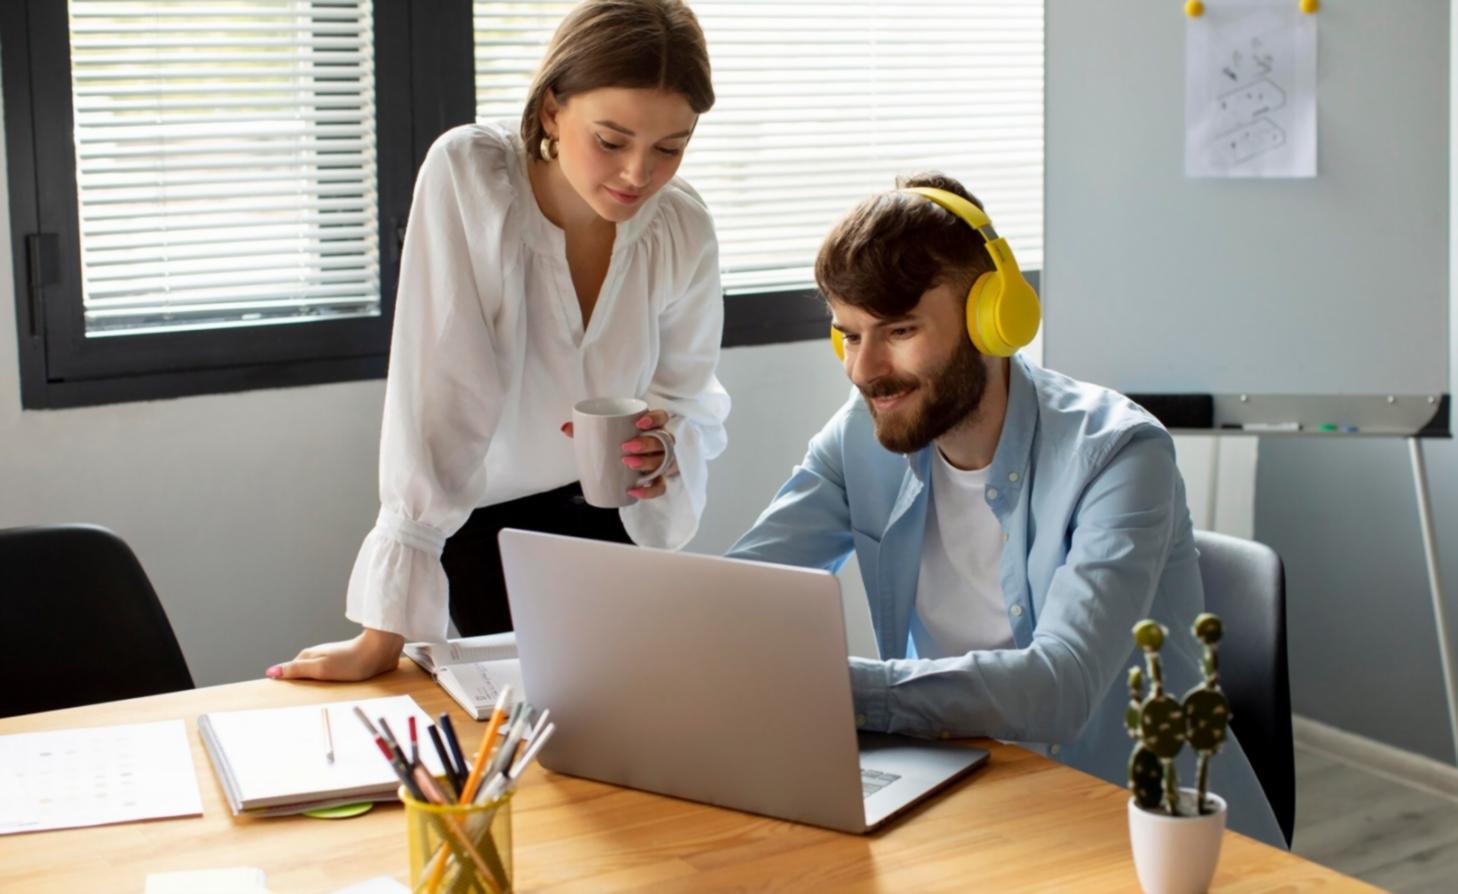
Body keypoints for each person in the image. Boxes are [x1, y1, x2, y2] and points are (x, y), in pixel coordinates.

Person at [726, 173, 1285, 846]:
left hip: (1145, 832)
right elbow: (737, 597)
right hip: (975, 799)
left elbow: (1060, 686)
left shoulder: (1121, 453)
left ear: (994, 318)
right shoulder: (858, 436)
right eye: (849, 334)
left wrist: (831, 689)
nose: (863, 368)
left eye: (899, 330)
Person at [270, 0, 730, 682]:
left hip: (614, 518)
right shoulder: (473, 179)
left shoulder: (681, 227)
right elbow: (440, 396)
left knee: (649, 712)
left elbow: (688, 396)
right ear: (551, 110)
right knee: (547, 719)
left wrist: (666, 449)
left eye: (670, 147)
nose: (639, 174)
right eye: (611, 140)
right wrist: (384, 635)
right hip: (486, 524)